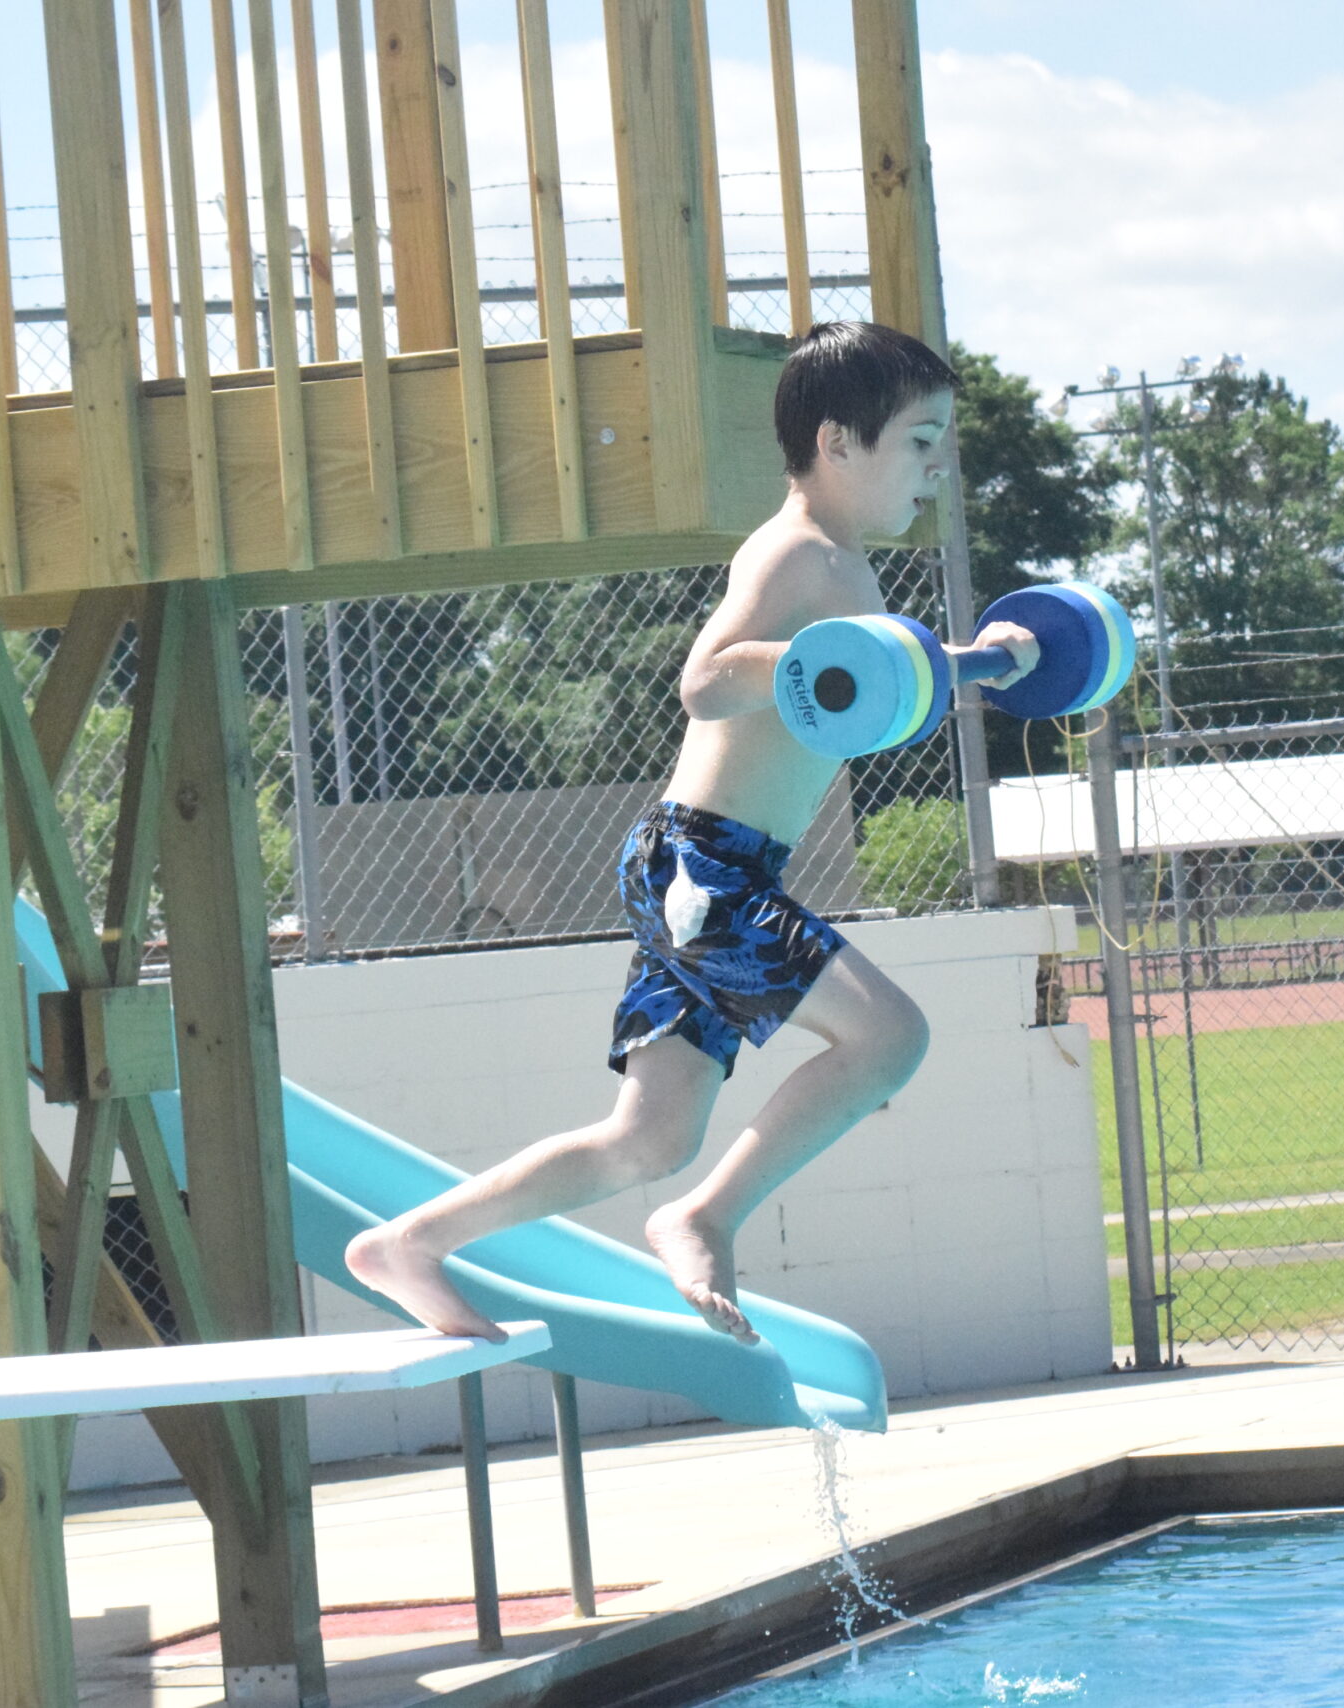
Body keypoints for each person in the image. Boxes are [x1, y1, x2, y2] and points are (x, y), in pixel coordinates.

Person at [346, 322, 1037, 1344]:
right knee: (888, 1037)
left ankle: (407, 1244)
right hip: (700, 868)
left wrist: (974, 662)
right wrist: (842, 655)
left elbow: (874, 685)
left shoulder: (847, 571)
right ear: (839, 441)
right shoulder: (796, 552)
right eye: (920, 440)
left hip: (705, 868)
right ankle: (704, 1215)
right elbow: (708, 681)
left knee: (647, 1135)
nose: (936, 468)